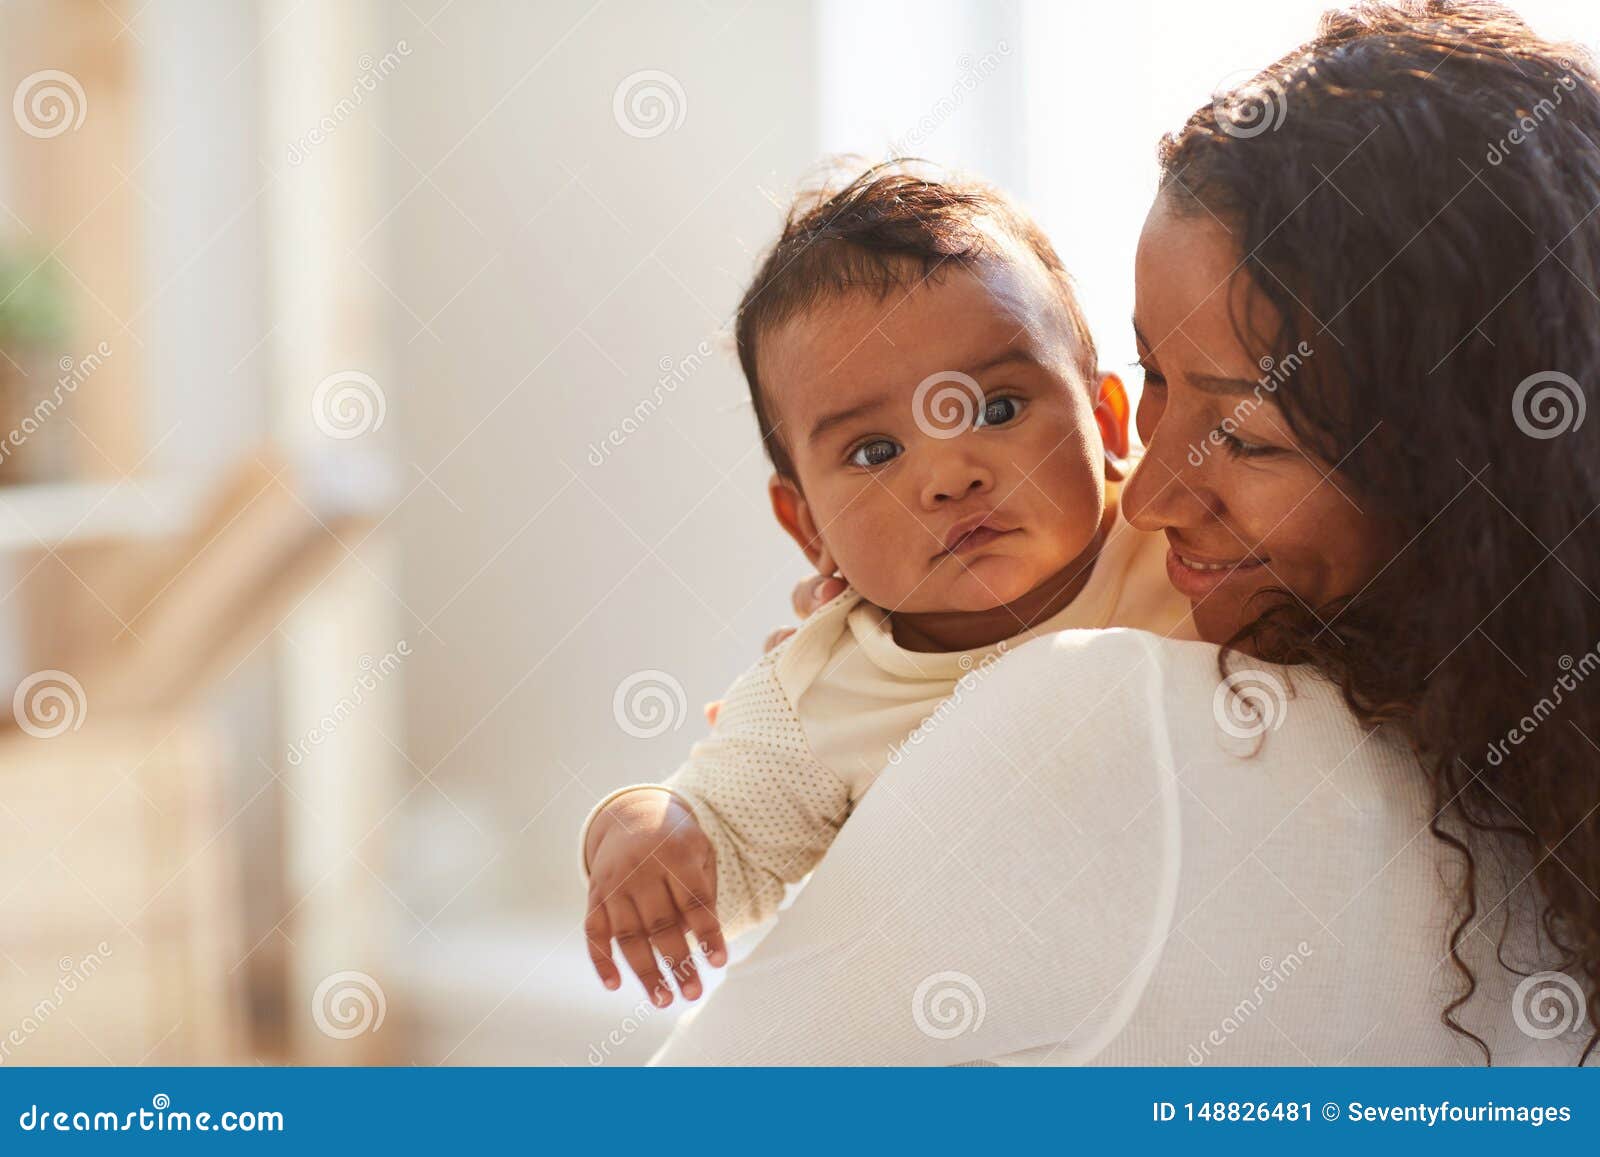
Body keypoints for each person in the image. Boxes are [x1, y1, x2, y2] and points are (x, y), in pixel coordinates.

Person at [651, 1, 1600, 1065]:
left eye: (1243, 434)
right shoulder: (1535, 777)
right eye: (1157, 378)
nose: (1142, 496)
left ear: (1462, 468)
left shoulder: (1099, 713)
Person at [580, 165, 1192, 1008]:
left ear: (1108, 421)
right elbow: (727, 841)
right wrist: (645, 827)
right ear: (808, 528)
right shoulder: (821, 686)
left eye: (1000, 407)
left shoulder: (1184, 542)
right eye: (875, 452)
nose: (949, 474)